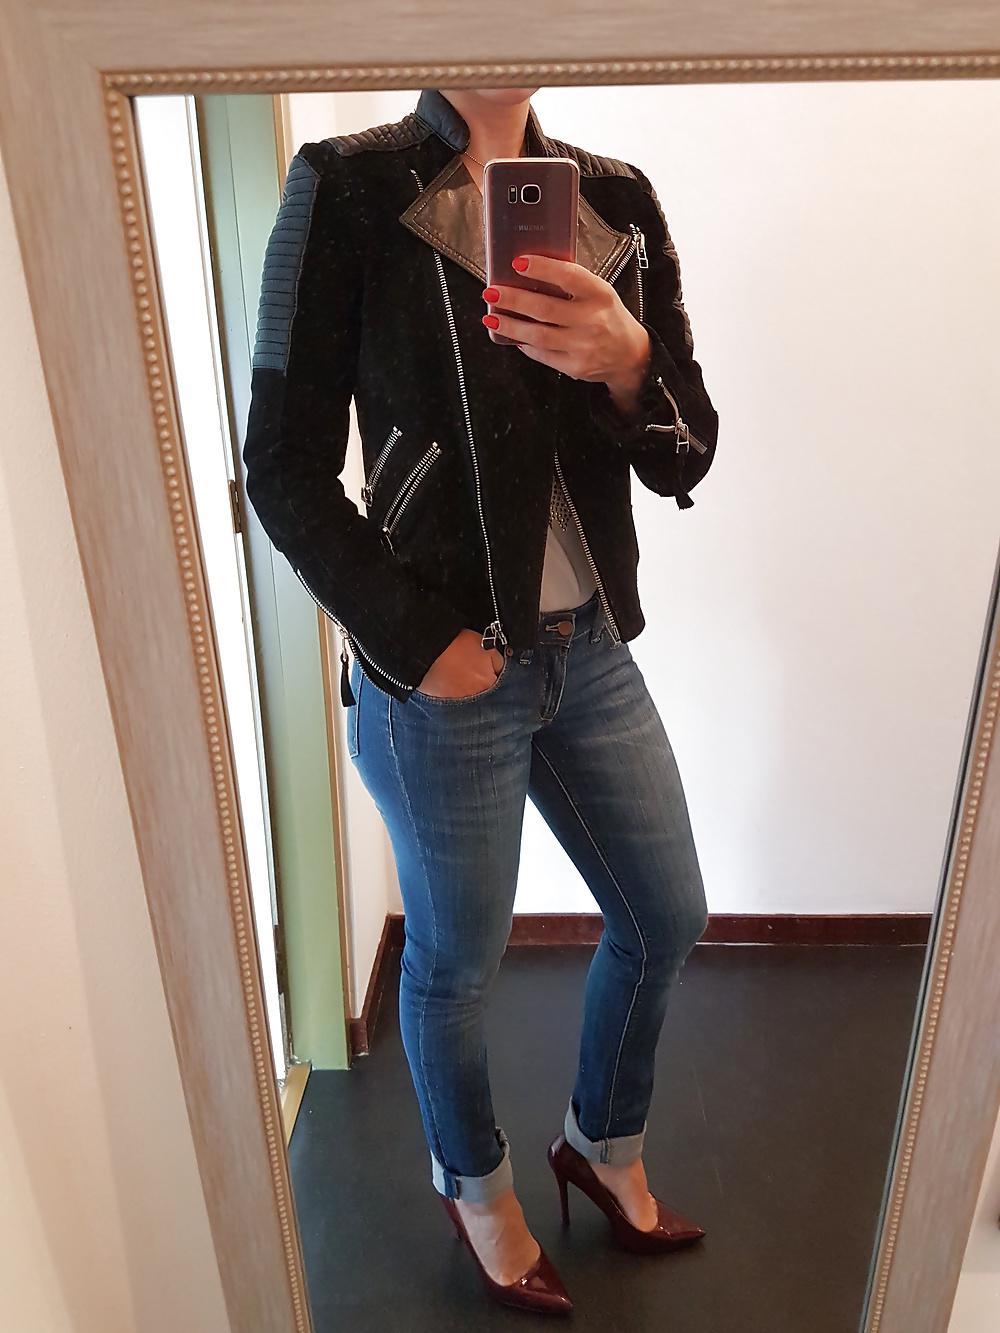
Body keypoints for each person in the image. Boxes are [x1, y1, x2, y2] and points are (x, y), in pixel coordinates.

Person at [244, 85, 719, 1316]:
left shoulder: (612, 197)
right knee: (455, 963)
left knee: (665, 913)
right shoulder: (346, 186)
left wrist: (629, 365)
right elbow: (281, 465)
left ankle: (600, 1145)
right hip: (442, 669)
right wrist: (413, 638)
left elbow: (685, 451)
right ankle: (477, 1187)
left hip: (589, 644)